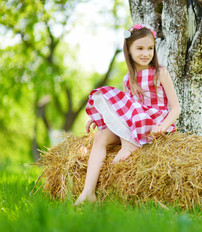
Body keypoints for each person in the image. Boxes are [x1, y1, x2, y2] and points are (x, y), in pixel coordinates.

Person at [75, 24, 181, 205]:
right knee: (100, 136)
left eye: (150, 48)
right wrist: (101, 117)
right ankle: (88, 192)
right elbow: (126, 108)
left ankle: (127, 149)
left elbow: (176, 108)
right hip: (134, 122)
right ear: (129, 51)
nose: (146, 53)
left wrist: (163, 125)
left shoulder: (160, 73)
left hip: (151, 122)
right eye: (140, 48)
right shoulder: (127, 78)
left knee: (119, 160)